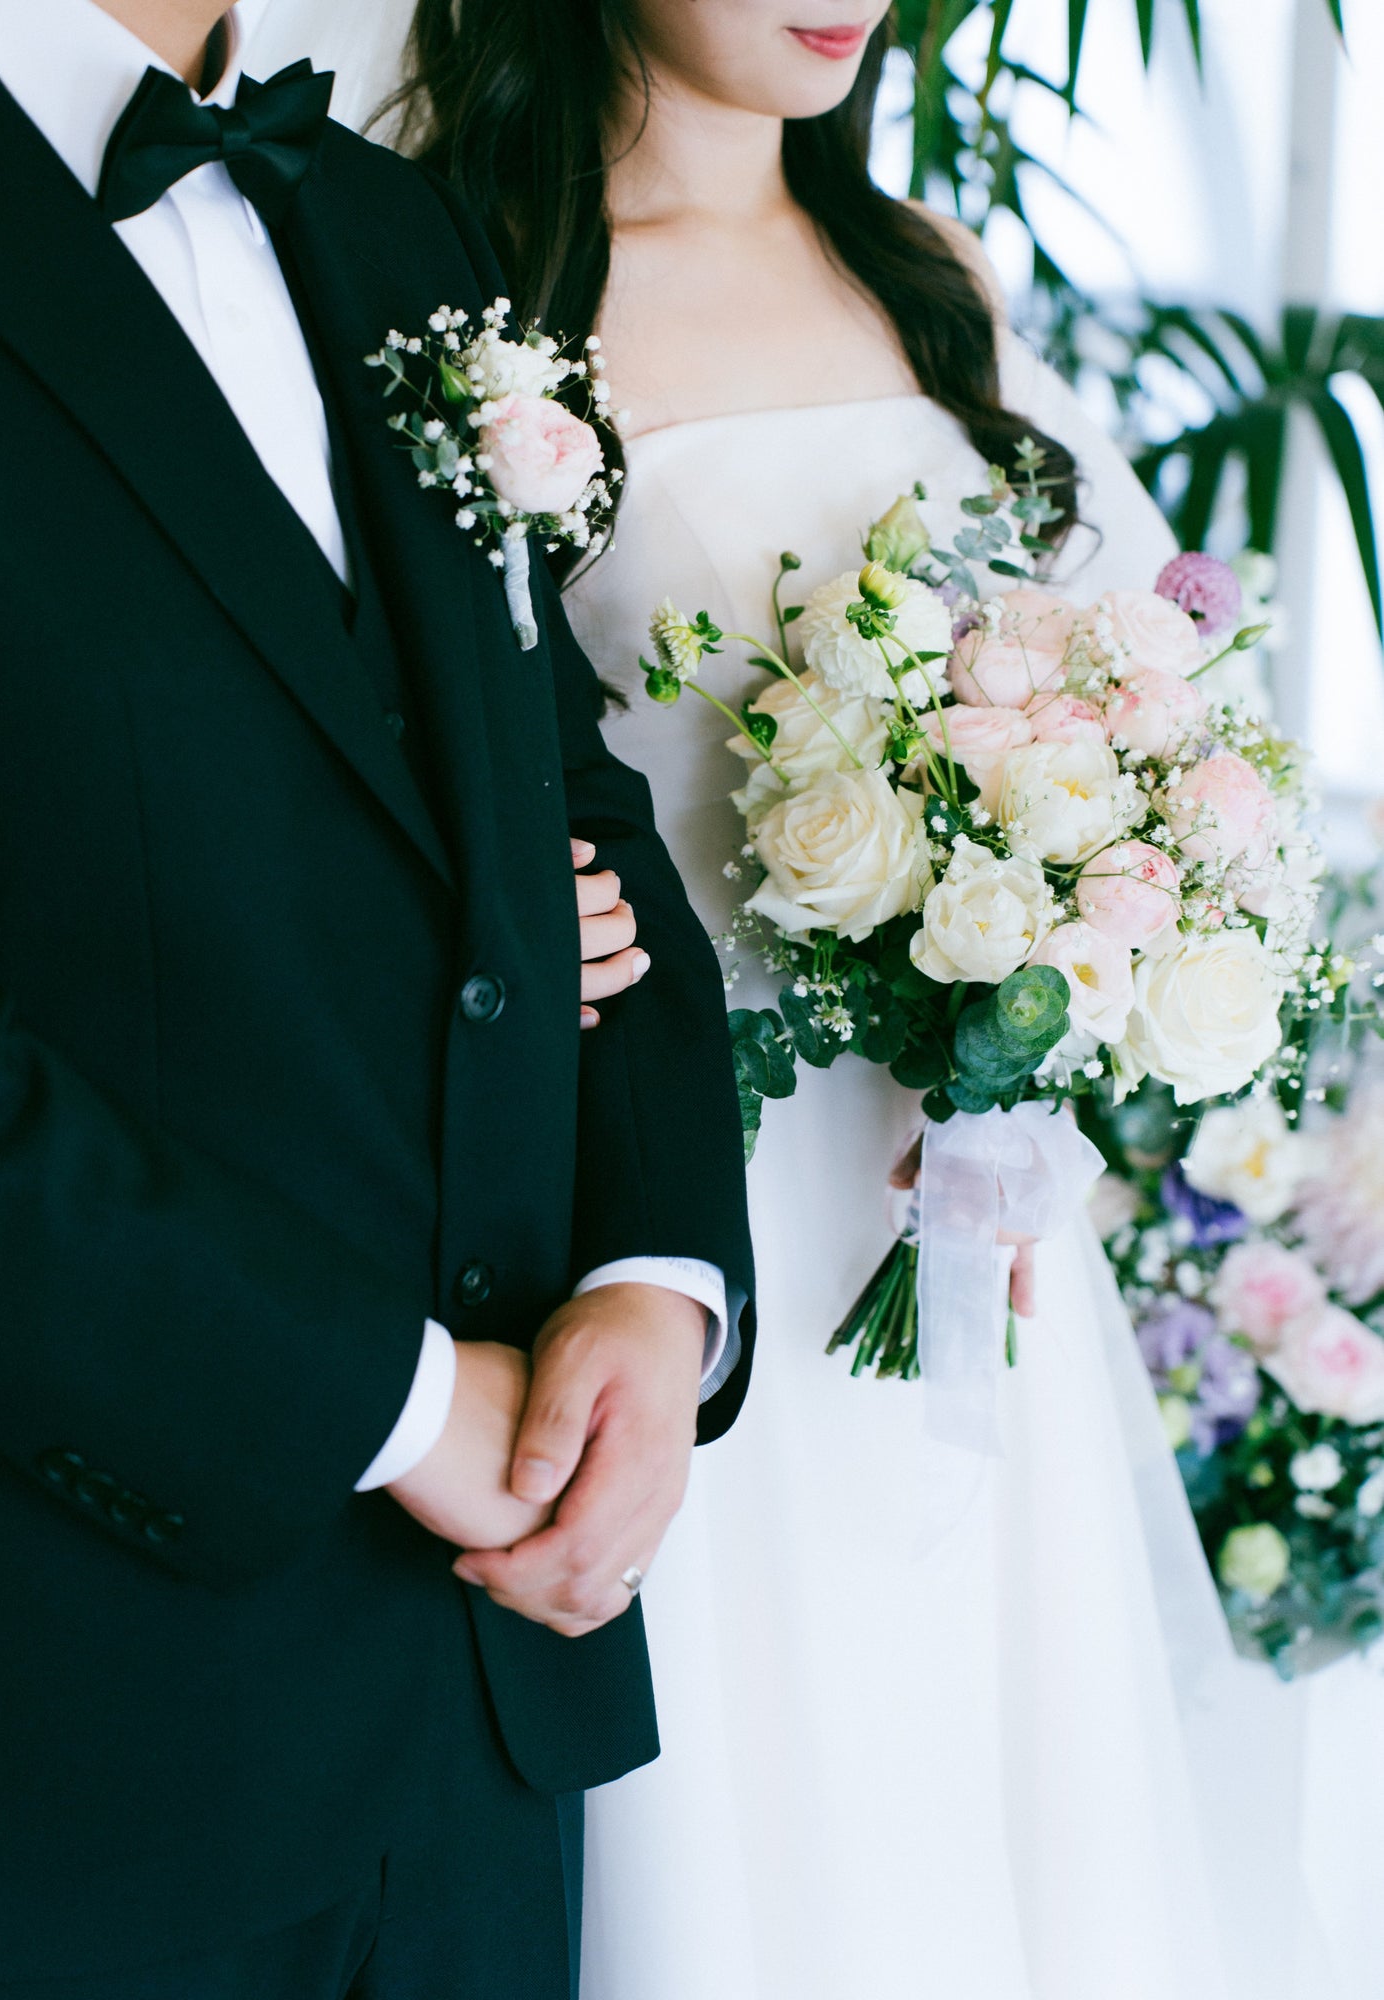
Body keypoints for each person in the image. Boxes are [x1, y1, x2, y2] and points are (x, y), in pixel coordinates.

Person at [389, 5, 1260, 1996]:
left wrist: (1072, 996)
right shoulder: (469, 291)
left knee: (1000, 1786)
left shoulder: (929, 273)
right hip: (681, 1212)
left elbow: (1131, 681)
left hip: (967, 1189)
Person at [0, 1, 754, 1993]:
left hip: (473, 1720)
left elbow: (573, 802)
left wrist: (657, 1267)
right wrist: (400, 1400)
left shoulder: (390, 227)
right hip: (42, 1736)